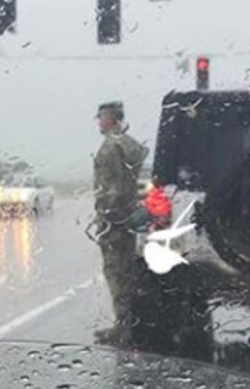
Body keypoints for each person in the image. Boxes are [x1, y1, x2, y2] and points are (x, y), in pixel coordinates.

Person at [93, 101, 149, 347]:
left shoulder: (109, 148)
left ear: (111, 118)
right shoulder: (129, 144)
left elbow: (112, 189)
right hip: (128, 216)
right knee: (127, 272)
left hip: (114, 220)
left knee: (116, 272)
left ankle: (124, 328)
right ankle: (128, 324)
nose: (99, 121)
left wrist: (106, 217)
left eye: (101, 117)